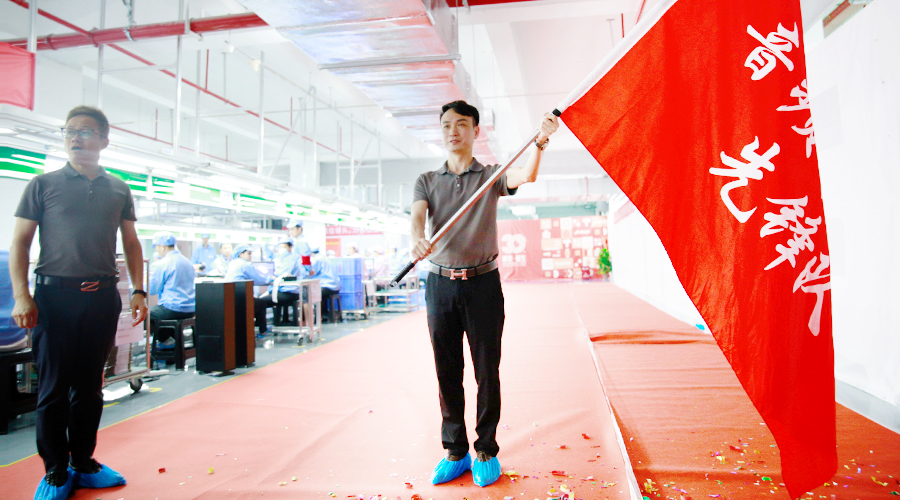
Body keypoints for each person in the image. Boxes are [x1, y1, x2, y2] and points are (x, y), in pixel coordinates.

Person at [410, 100, 558, 487]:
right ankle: (455, 450)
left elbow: (526, 175)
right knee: (447, 371)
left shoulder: (491, 176)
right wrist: (417, 239)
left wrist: (541, 141)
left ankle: (486, 449)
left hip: (483, 286)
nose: (453, 131)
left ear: (476, 131)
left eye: (461, 124)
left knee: (486, 371)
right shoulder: (426, 180)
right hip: (440, 285)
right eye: (446, 125)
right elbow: (418, 217)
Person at [9, 105, 149, 499]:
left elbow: (131, 242)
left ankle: (83, 462)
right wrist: (22, 296)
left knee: (90, 387)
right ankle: (55, 470)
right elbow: (20, 243)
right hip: (54, 298)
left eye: (85, 131)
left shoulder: (118, 188)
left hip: (102, 298)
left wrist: (138, 290)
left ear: (104, 140)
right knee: (53, 388)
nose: (75, 137)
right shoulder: (42, 184)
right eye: (69, 130)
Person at [148, 232, 196, 346]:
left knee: (144, 314)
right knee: (161, 315)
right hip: (190, 309)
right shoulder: (187, 262)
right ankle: (173, 345)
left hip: (173, 308)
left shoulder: (163, 263)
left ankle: (166, 341)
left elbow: (153, 290)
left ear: (162, 247)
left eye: (156, 247)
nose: (157, 250)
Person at [224, 245, 273, 337]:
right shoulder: (246, 264)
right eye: (248, 253)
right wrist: (271, 279)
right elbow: (258, 279)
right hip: (241, 299)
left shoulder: (232, 263)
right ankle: (263, 331)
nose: (250, 256)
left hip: (230, 298)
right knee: (261, 303)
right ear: (240, 254)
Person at [308, 249, 341, 320]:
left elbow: (312, 272)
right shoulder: (323, 257)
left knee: (312, 293)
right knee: (320, 292)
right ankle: (324, 314)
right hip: (335, 286)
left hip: (328, 285)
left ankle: (317, 317)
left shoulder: (317, 259)